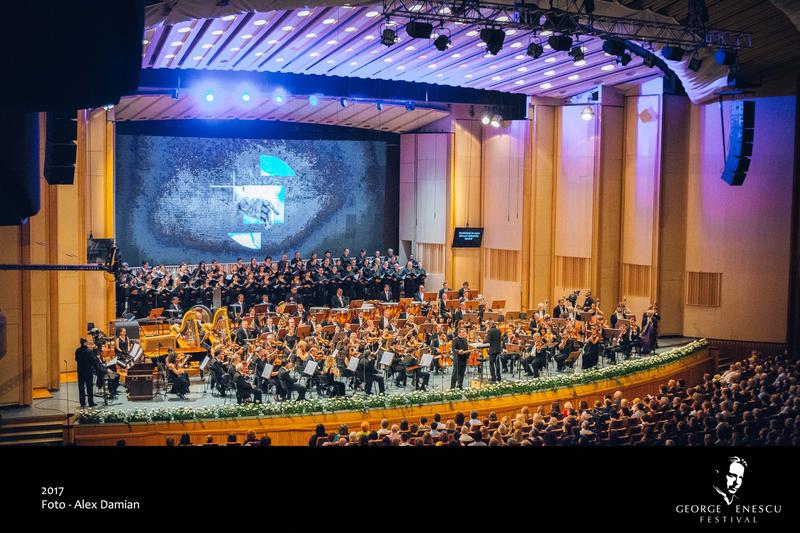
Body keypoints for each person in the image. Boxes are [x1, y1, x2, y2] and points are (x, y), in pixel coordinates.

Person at [74, 338, 96, 407]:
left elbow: (76, 359)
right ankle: (91, 402)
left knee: (81, 387)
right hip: (88, 371)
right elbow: (93, 361)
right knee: (89, 387)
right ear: (85, 343)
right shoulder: (89, 351)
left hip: (80, 371)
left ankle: (82, 403)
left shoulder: (77, 350)